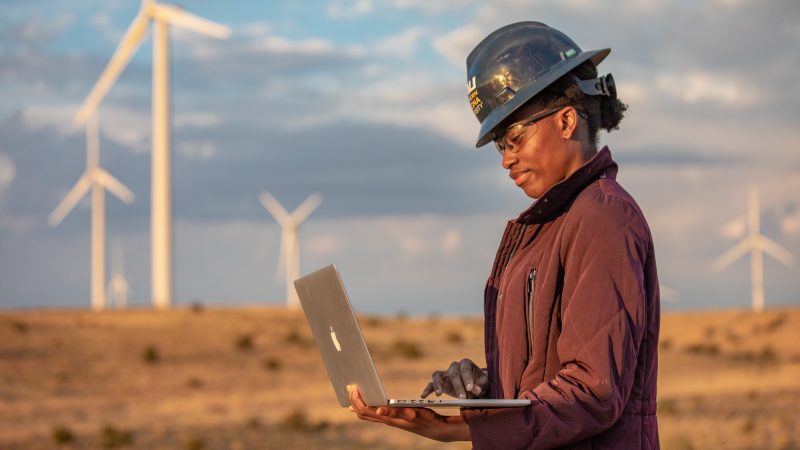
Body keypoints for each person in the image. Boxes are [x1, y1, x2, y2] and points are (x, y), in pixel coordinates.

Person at [348, 21, 660, 449]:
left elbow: (592, 392)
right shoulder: (548, 227)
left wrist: (453, 429)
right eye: (500, 146)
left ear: (567, 120)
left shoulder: (603, 217)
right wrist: (485, 390)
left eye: (514, 137)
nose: (507, 160)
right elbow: (546, 378)